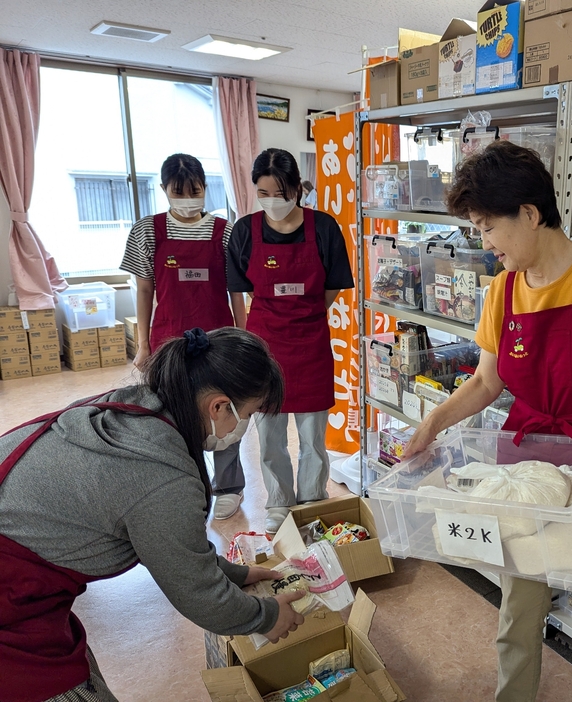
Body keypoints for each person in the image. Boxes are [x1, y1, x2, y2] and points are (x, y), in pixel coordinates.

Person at [404, 141, 572, 702]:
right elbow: (487, 381)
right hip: (525, 470)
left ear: (530, 214)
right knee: (518, 615)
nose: (484, 243)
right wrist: (435, 421)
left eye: (487, 227)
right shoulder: (502, 291)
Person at [0, 328, 308, 702]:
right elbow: (197, 595)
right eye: (246, 415)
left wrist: (238, 574)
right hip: (11, 600)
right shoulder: (161, 475)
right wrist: (267, 617)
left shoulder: (138, 406)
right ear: (218, 406)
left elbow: (165, 544)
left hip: (25, 570)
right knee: (61, 685)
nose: (241, 429)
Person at [227, 148, 353, 535]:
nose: (272, 202)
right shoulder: (245, 231)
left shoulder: (325, 227)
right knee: (270, 436)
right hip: (266, 348)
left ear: (297, 189)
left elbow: (332, 285)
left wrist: (304, 310)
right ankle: (279, 502)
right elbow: (240, 289)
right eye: (263, 193)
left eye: (279, 194)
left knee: (314, 437)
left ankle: (312, 498)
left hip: (310, 342)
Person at [120, 154, 248, 521]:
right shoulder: (146, 230)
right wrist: (143, 344)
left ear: (205, 188)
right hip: (169, 340)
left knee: (228, 411)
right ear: (164, 190)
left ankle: (229, 487)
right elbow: (144, 291)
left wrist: (243, 334)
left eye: (195, 190)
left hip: (218, 339)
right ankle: (191, 485)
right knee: (178, 416)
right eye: (179, 192)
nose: (188, 198)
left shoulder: (225, 230)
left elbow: (235, 291)